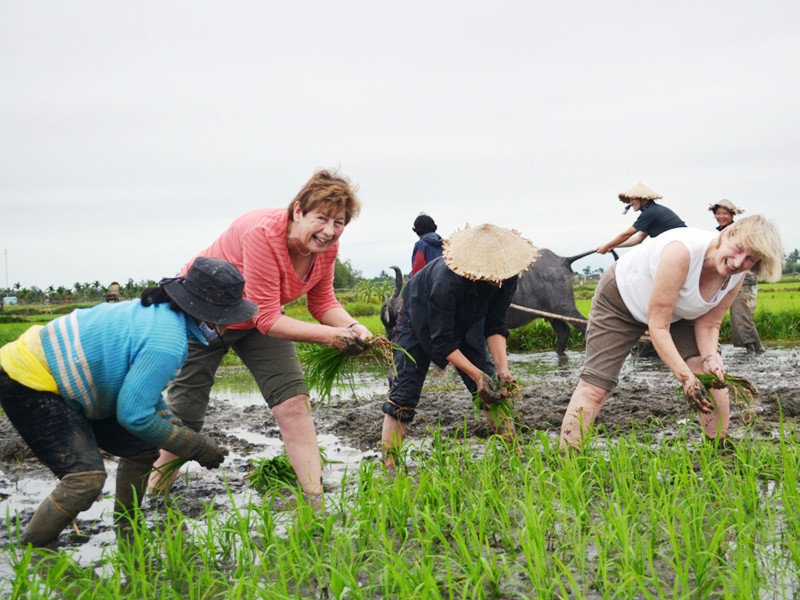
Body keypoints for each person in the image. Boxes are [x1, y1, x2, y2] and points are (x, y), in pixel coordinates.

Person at [0, 257, 258, 547]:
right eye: (229, 317)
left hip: (66, 378)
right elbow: (134, 415)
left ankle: (128, 529)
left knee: (142, 449)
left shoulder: (162, 316)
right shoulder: (167, 342)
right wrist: (195, 446)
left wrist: (178, 428)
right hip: (31, 378)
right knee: (84, 480)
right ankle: (32, 552)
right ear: (212, 315)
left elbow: (144, 397)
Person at [149, 169, 370, 498]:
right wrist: (330, 337)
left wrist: (354, 327)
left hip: (255, 318)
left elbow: (322, 301)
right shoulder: (264, 233)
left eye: (339, 223)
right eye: (321, 218)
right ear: (298, 211)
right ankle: (154, 497)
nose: (329, 231)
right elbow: (268, 319)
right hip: (204, 317)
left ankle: (315, 496)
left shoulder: (326, 249)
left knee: (293, 402)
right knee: (185, 415)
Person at [560, 215, 784, 450]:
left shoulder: (736, 274)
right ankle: (568, 459)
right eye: (738, 249)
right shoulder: (681, 252)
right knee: (596, 386)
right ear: (727, 234)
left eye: (749, 258)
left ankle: (718, 449)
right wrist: (686, 378)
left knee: (711, 378)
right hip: (621, 301)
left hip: (679, 312)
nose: (738, 262)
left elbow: (709, 324)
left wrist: (710, 357)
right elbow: (658, 326)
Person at [381, 223, 539, 464]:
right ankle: (389, 464)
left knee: (492, 389)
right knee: (405, 391)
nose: (497, 277)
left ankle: (515, 455)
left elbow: (495, 325)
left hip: (468, 320)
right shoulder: (447, 282)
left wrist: (502, 370)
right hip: (418, 318)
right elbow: (442, 341)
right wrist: (476, 376)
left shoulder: (508, 277)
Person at [710, 199, 765, 353]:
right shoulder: (720, 233)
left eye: (725, 213)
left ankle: (756, 351)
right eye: (718, 213)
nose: (721, 216)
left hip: (744, 277)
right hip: (729, 277)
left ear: (732, 215)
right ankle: (752, 351)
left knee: (742, 316)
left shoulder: (738, 231)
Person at [597, 183, 686, 255]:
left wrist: (606, 246)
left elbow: (627, 234)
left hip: (680, 245)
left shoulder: (650, 212)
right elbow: (638, 239)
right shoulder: (652, 212)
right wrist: (614, 245)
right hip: (677, 245)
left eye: (633, 199)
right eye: (629, 200)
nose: (630, 203)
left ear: (643, 199)